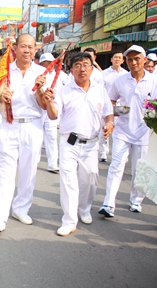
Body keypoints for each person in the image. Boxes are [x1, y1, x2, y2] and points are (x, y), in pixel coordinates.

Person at [45, 52, 114, 236]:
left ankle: (84, 209)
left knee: (90, 179)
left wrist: (109, 123)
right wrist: (50, 102)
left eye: (85, 65)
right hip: (69, 142)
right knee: (68, 181)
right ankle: (69, 220)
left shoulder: (100, 89)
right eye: (77, 65)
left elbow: (108, 112)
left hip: (92, 143)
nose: (82, 69)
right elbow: (53, 115)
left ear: (92, 68)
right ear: (71, 69)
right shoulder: (64, 90)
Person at [0, 34, 49, 233]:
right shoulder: (4, 70)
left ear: (35, 49)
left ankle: (21, 208)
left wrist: (41, 90)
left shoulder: (42, 72)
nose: (27, 50)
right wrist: (1, 95)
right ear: (15, 48)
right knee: (5, 172)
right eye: (23, 46)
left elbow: (44, 105)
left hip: (33, 126)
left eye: (31, 47)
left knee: (28, 170)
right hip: (9, 124)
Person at [99, 45, 157, 218]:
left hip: (145, 133)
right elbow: (110, 101)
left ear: (144, 60)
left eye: (137, 59)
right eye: (129, 59)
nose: (133, 62)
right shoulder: (120, 80)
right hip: (122, 131)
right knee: (116, 166)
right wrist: (117, 112)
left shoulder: (155, 81)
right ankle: (108, 203)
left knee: (138, 169)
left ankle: (136, 200)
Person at [39, 53, 68, 173]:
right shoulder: (38, 74)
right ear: (41, 64)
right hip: (39, 108)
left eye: (50, 63)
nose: (48, 66)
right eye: (46, 63)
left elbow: (68, 88)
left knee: (51, 136)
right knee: (37, 135)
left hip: (52, 107)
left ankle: (53, 163)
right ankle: (31, 159)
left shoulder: (61, 75)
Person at [100, 51, 128, 162]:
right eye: (115, 57)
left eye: (119, 58)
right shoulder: (104, 74)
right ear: (111, 59)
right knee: (105, 129)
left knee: (119, 130)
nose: (117, 59)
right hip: (107, 105)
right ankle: (103, 152)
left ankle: (119, 155)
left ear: (122, 60)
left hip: (122, 107)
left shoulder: (126, 74)